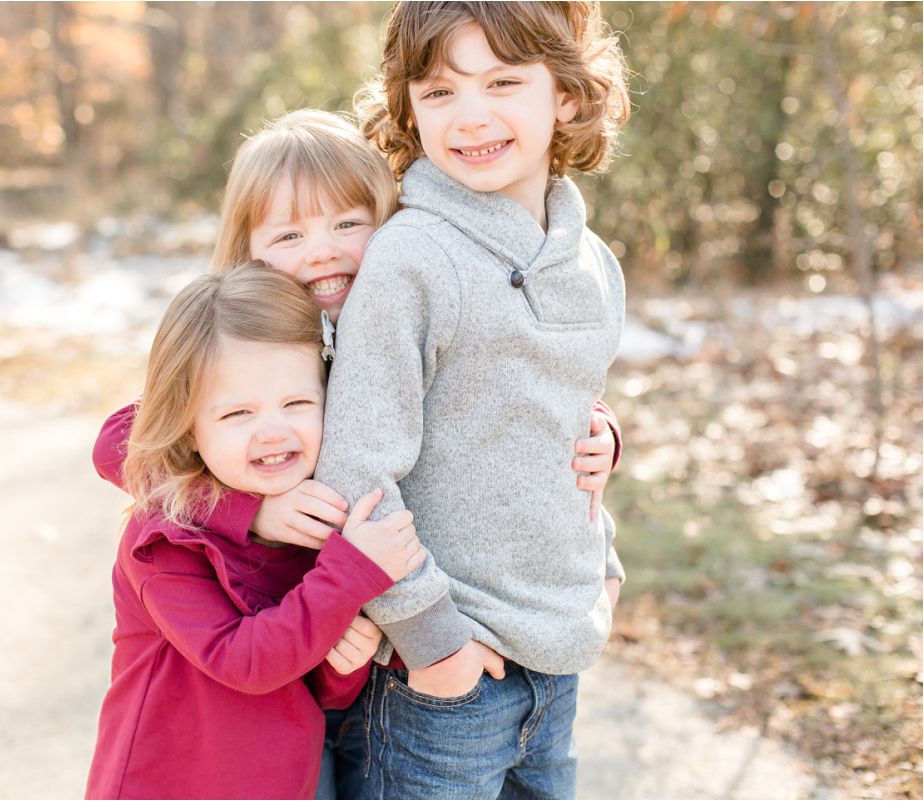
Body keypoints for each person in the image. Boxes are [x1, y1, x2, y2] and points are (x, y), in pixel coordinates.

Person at [93, 109, 623, 799]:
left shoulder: (405, 305)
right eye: (289, 234)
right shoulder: (257, 347)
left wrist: (603, 427)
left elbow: (504, 387)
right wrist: (245, 507)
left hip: (329, 661)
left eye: (348, 223)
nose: (323, 252)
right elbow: (122, 439)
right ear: (247, 252)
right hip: (253, 694)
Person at [309, 2, 632, 798]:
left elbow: (562, 429)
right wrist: (433, 641)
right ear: (408, 107)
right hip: (444, 679)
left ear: (565, 94)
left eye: (503, 82)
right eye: (441, 91)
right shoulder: (411, 260)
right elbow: (359, 477)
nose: (472, 116)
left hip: (556, 659)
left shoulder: (591, 263)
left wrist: (606, 566)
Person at [84, 263, 427, 800]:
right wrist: (352, 573)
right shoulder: (162, 544)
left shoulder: (314, 520)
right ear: (188, 429)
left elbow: (310, 684)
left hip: (286, 779)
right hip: (172, 781)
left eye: (296, 403)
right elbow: (245, 662)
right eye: (237, 413)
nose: (273, 431)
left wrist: (345, 664)